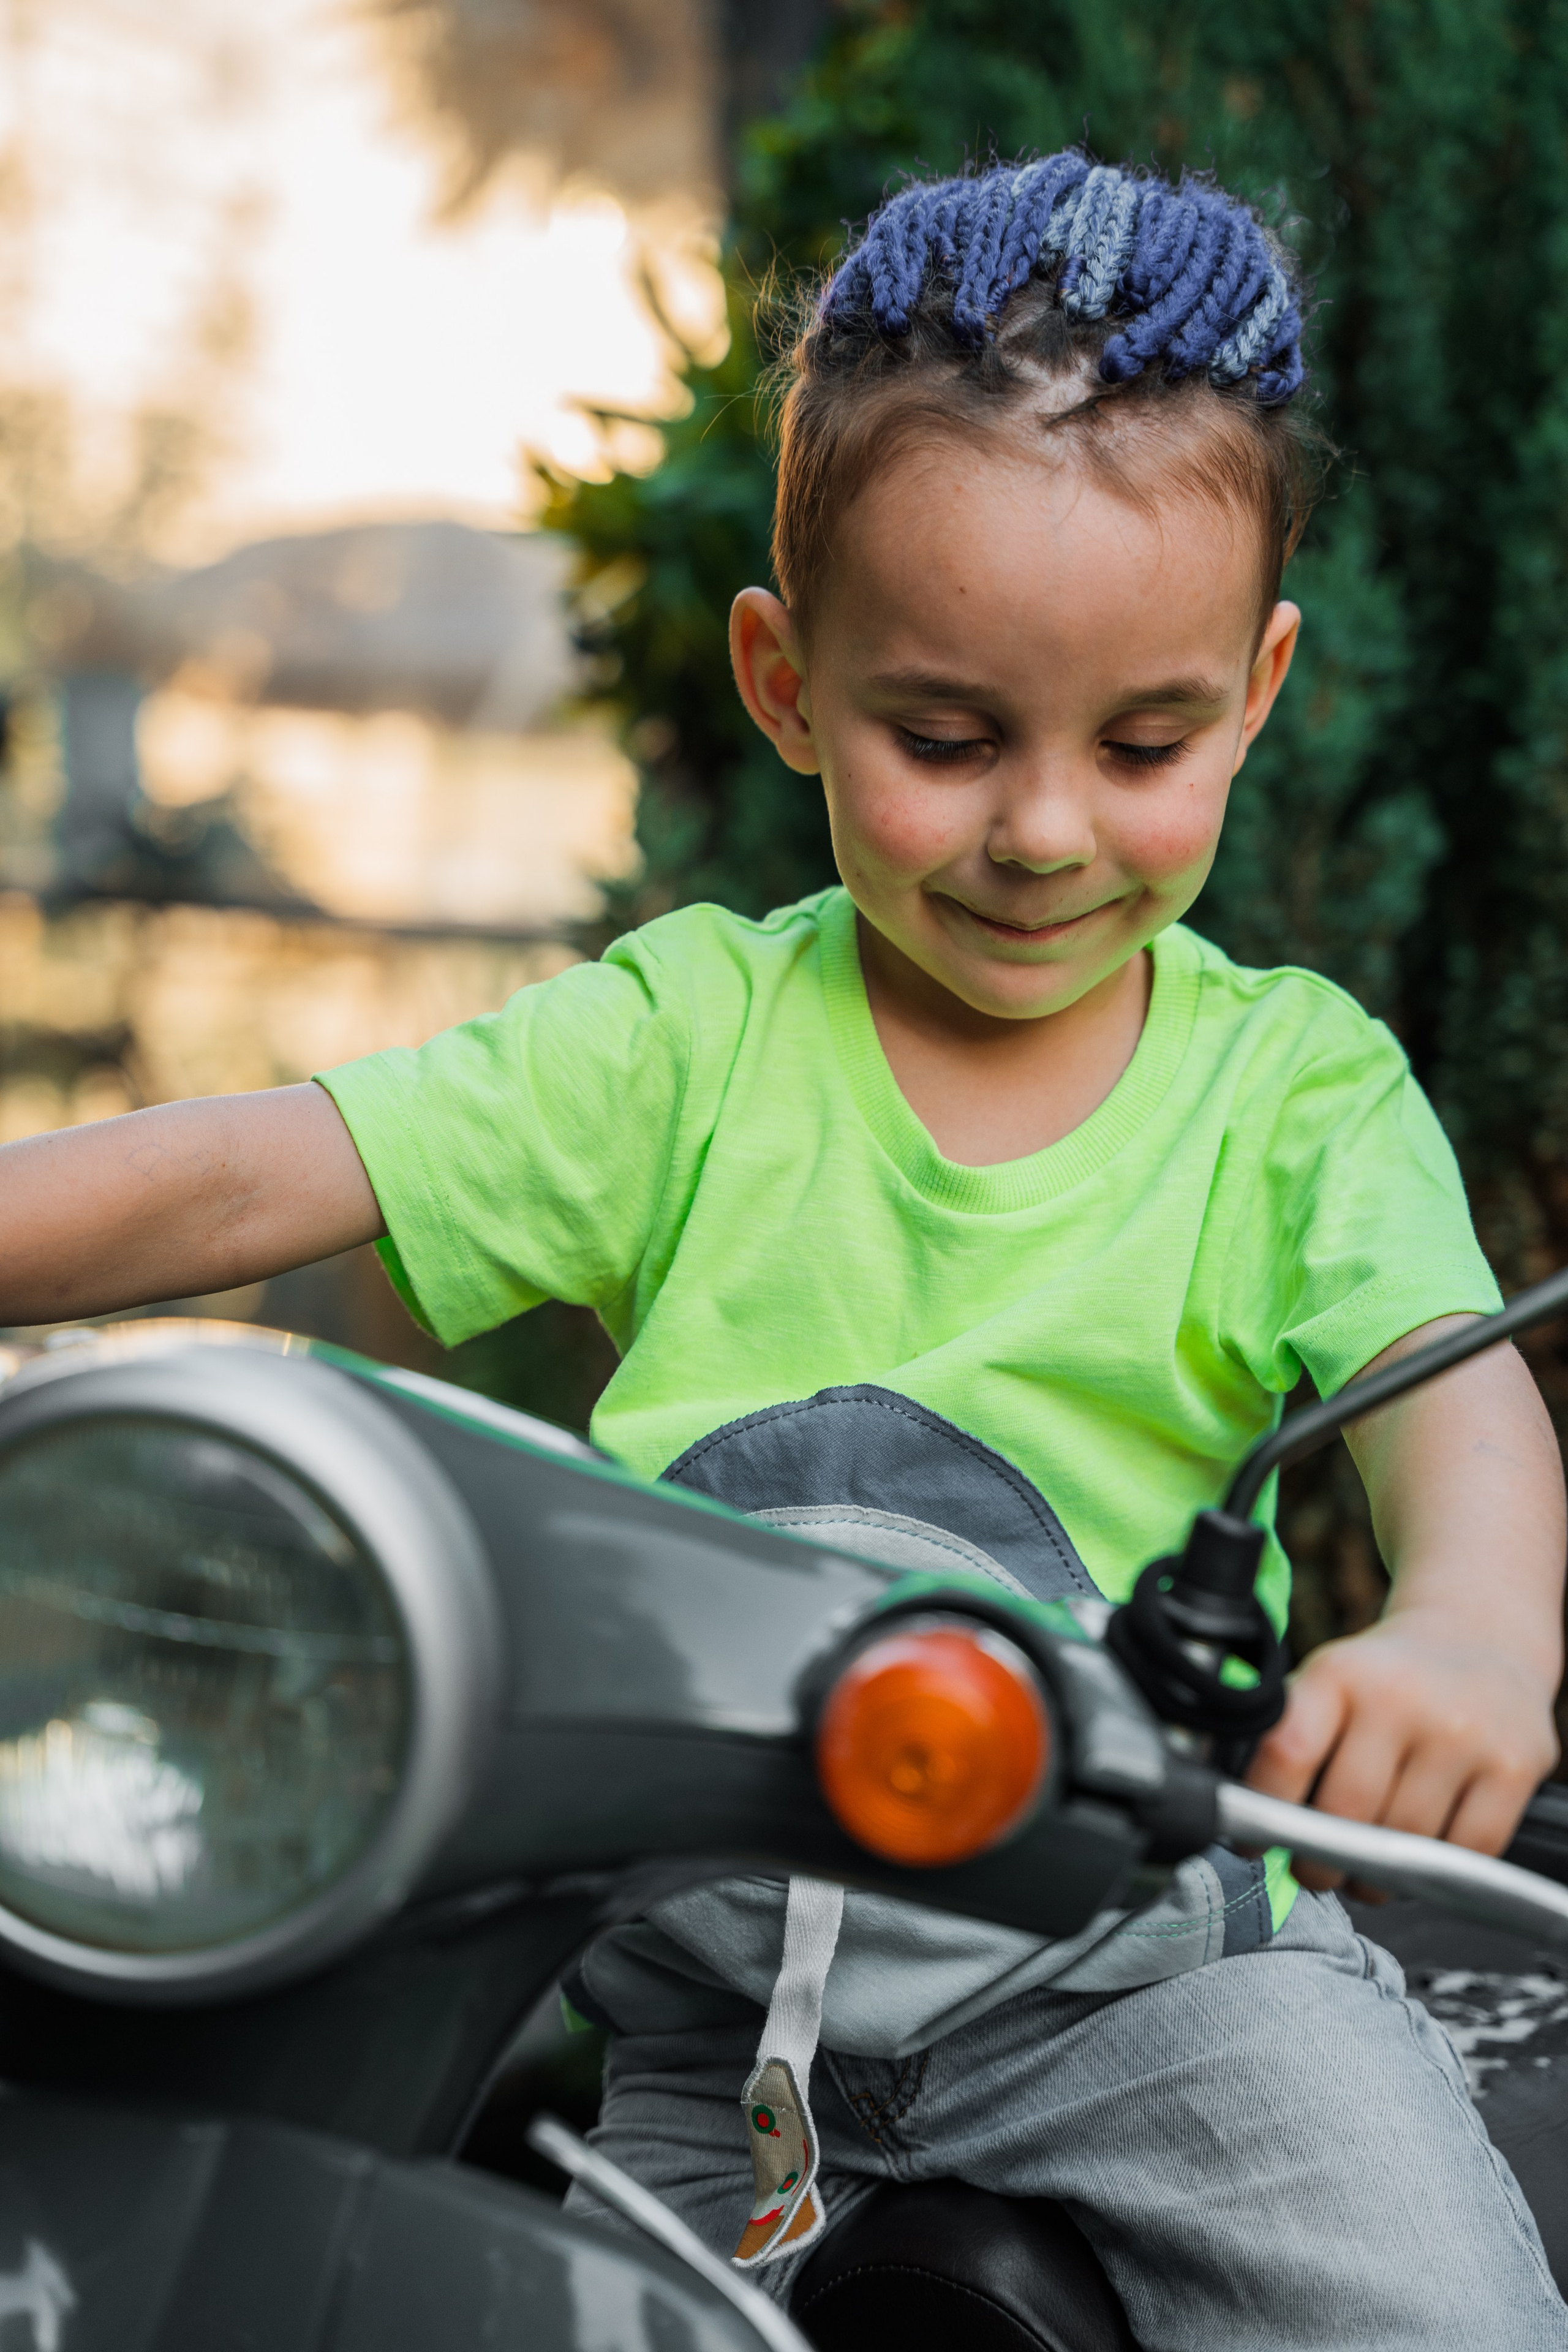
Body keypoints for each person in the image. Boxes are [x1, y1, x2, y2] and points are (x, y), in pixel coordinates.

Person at [4, 150, 1566, 2347]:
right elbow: (262, 1171)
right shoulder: (691, 1038)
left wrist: (1481, 1638)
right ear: (781, 675)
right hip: (703, 2033)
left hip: (1151, 1990)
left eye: (1146, 743)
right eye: (943, 737)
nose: (1040, 830)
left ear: (1263, 689)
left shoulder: (1293, 1089)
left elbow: (1459, 1397)